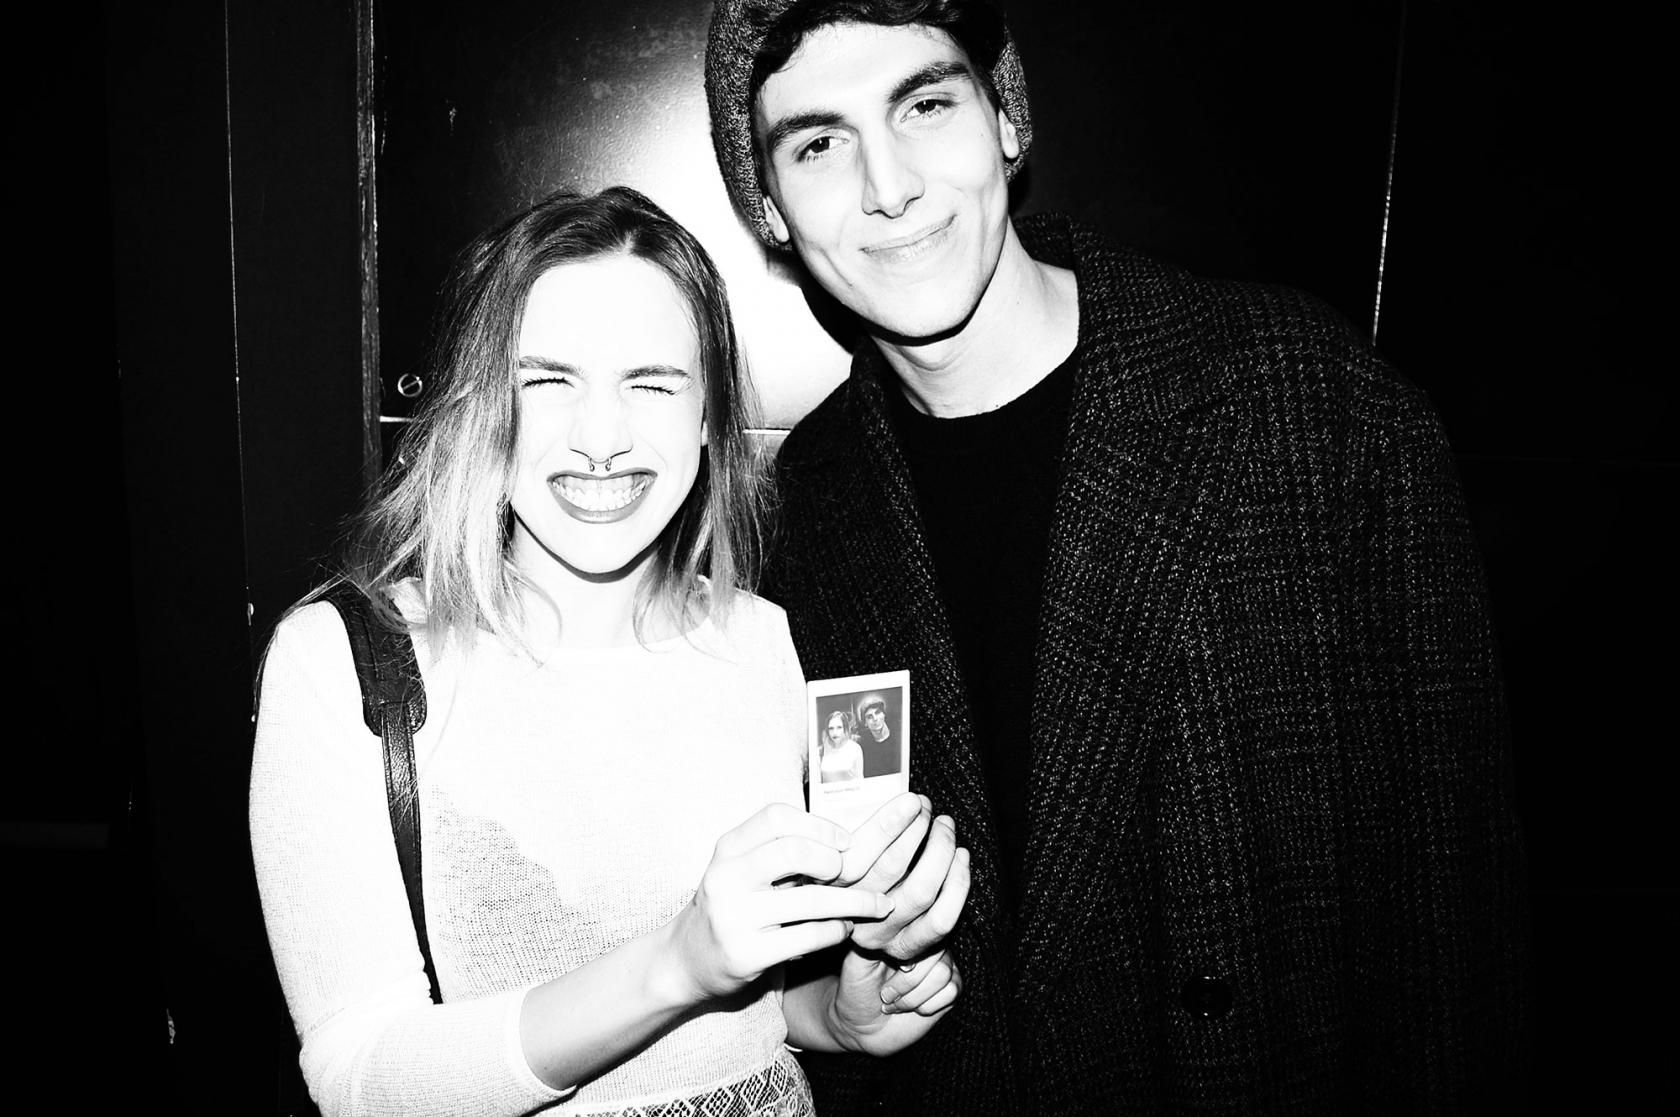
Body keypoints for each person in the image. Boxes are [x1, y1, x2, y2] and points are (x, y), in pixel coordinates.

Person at [704, 1, 1529, 1112]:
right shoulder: (797, 516)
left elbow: (1455, 916)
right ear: (768, 206)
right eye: (818, 144)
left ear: (1007, 119)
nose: (887, 185)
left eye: (927, 105)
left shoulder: (1311, 406)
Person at [249, 186, 974, 1117]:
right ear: (483, 403)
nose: (600, 440)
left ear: (709, 414)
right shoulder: (340, 665)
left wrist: (836, 1014)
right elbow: (359, 1078)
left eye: (652, 383)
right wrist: (676, 962)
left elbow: (741, 1019)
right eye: (548, 381)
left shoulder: (764, 640)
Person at [821, 709, 867, 782]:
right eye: (831, 728)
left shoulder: (855, 749)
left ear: (845, 728)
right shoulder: (821, 751)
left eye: (839, 727)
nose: (835, 732)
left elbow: (860, 778)